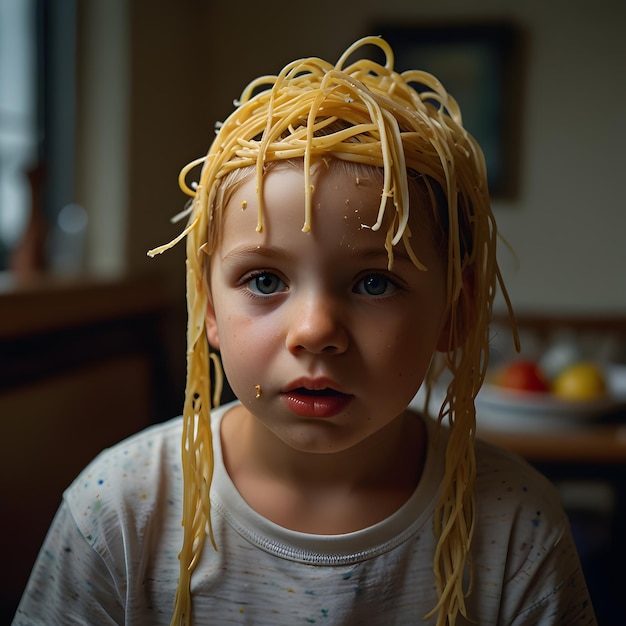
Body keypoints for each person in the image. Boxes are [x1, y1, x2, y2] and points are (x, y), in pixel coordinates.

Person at [13, 36, 596, 626]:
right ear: (208, 309)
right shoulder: (119, 508)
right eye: (265, 281)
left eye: (374, 283)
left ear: (455, 312)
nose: (316, 332)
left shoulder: (516, 526)